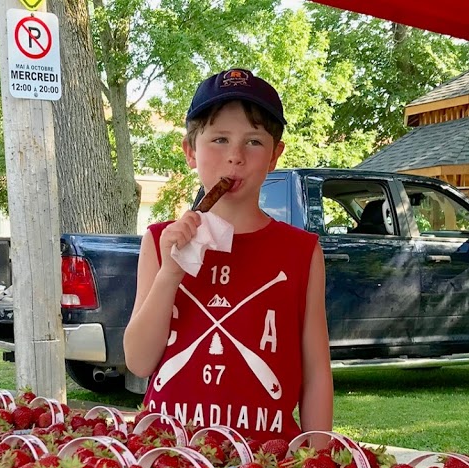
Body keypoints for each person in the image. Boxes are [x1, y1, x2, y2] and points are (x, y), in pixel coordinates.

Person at [123, 68, 333, 443]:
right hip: (170, 455)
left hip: (268, 461)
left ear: (274, 156)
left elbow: (316, 372)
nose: (235, 157)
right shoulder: (160, 240)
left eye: (254, 142)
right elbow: (138, 361)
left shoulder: (301, 251)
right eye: (219, 139)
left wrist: (316, 459)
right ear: (190, 151)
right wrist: (170, 274)